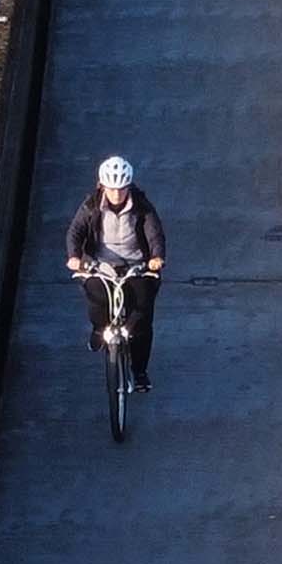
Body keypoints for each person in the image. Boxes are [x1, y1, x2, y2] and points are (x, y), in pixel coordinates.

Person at [64, 153, 165, 391]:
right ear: (102, 186)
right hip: (101, 264)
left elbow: (154, 234)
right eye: (112, 189)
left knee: (142, 314)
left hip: (136, 265)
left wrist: (156, 258)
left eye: (121, 189)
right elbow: (75, 232)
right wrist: (75, 257)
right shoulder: (91, 205)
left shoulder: (141, 206)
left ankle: (139, 372)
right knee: (96, 295)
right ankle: (100, 329)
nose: (117, 194)